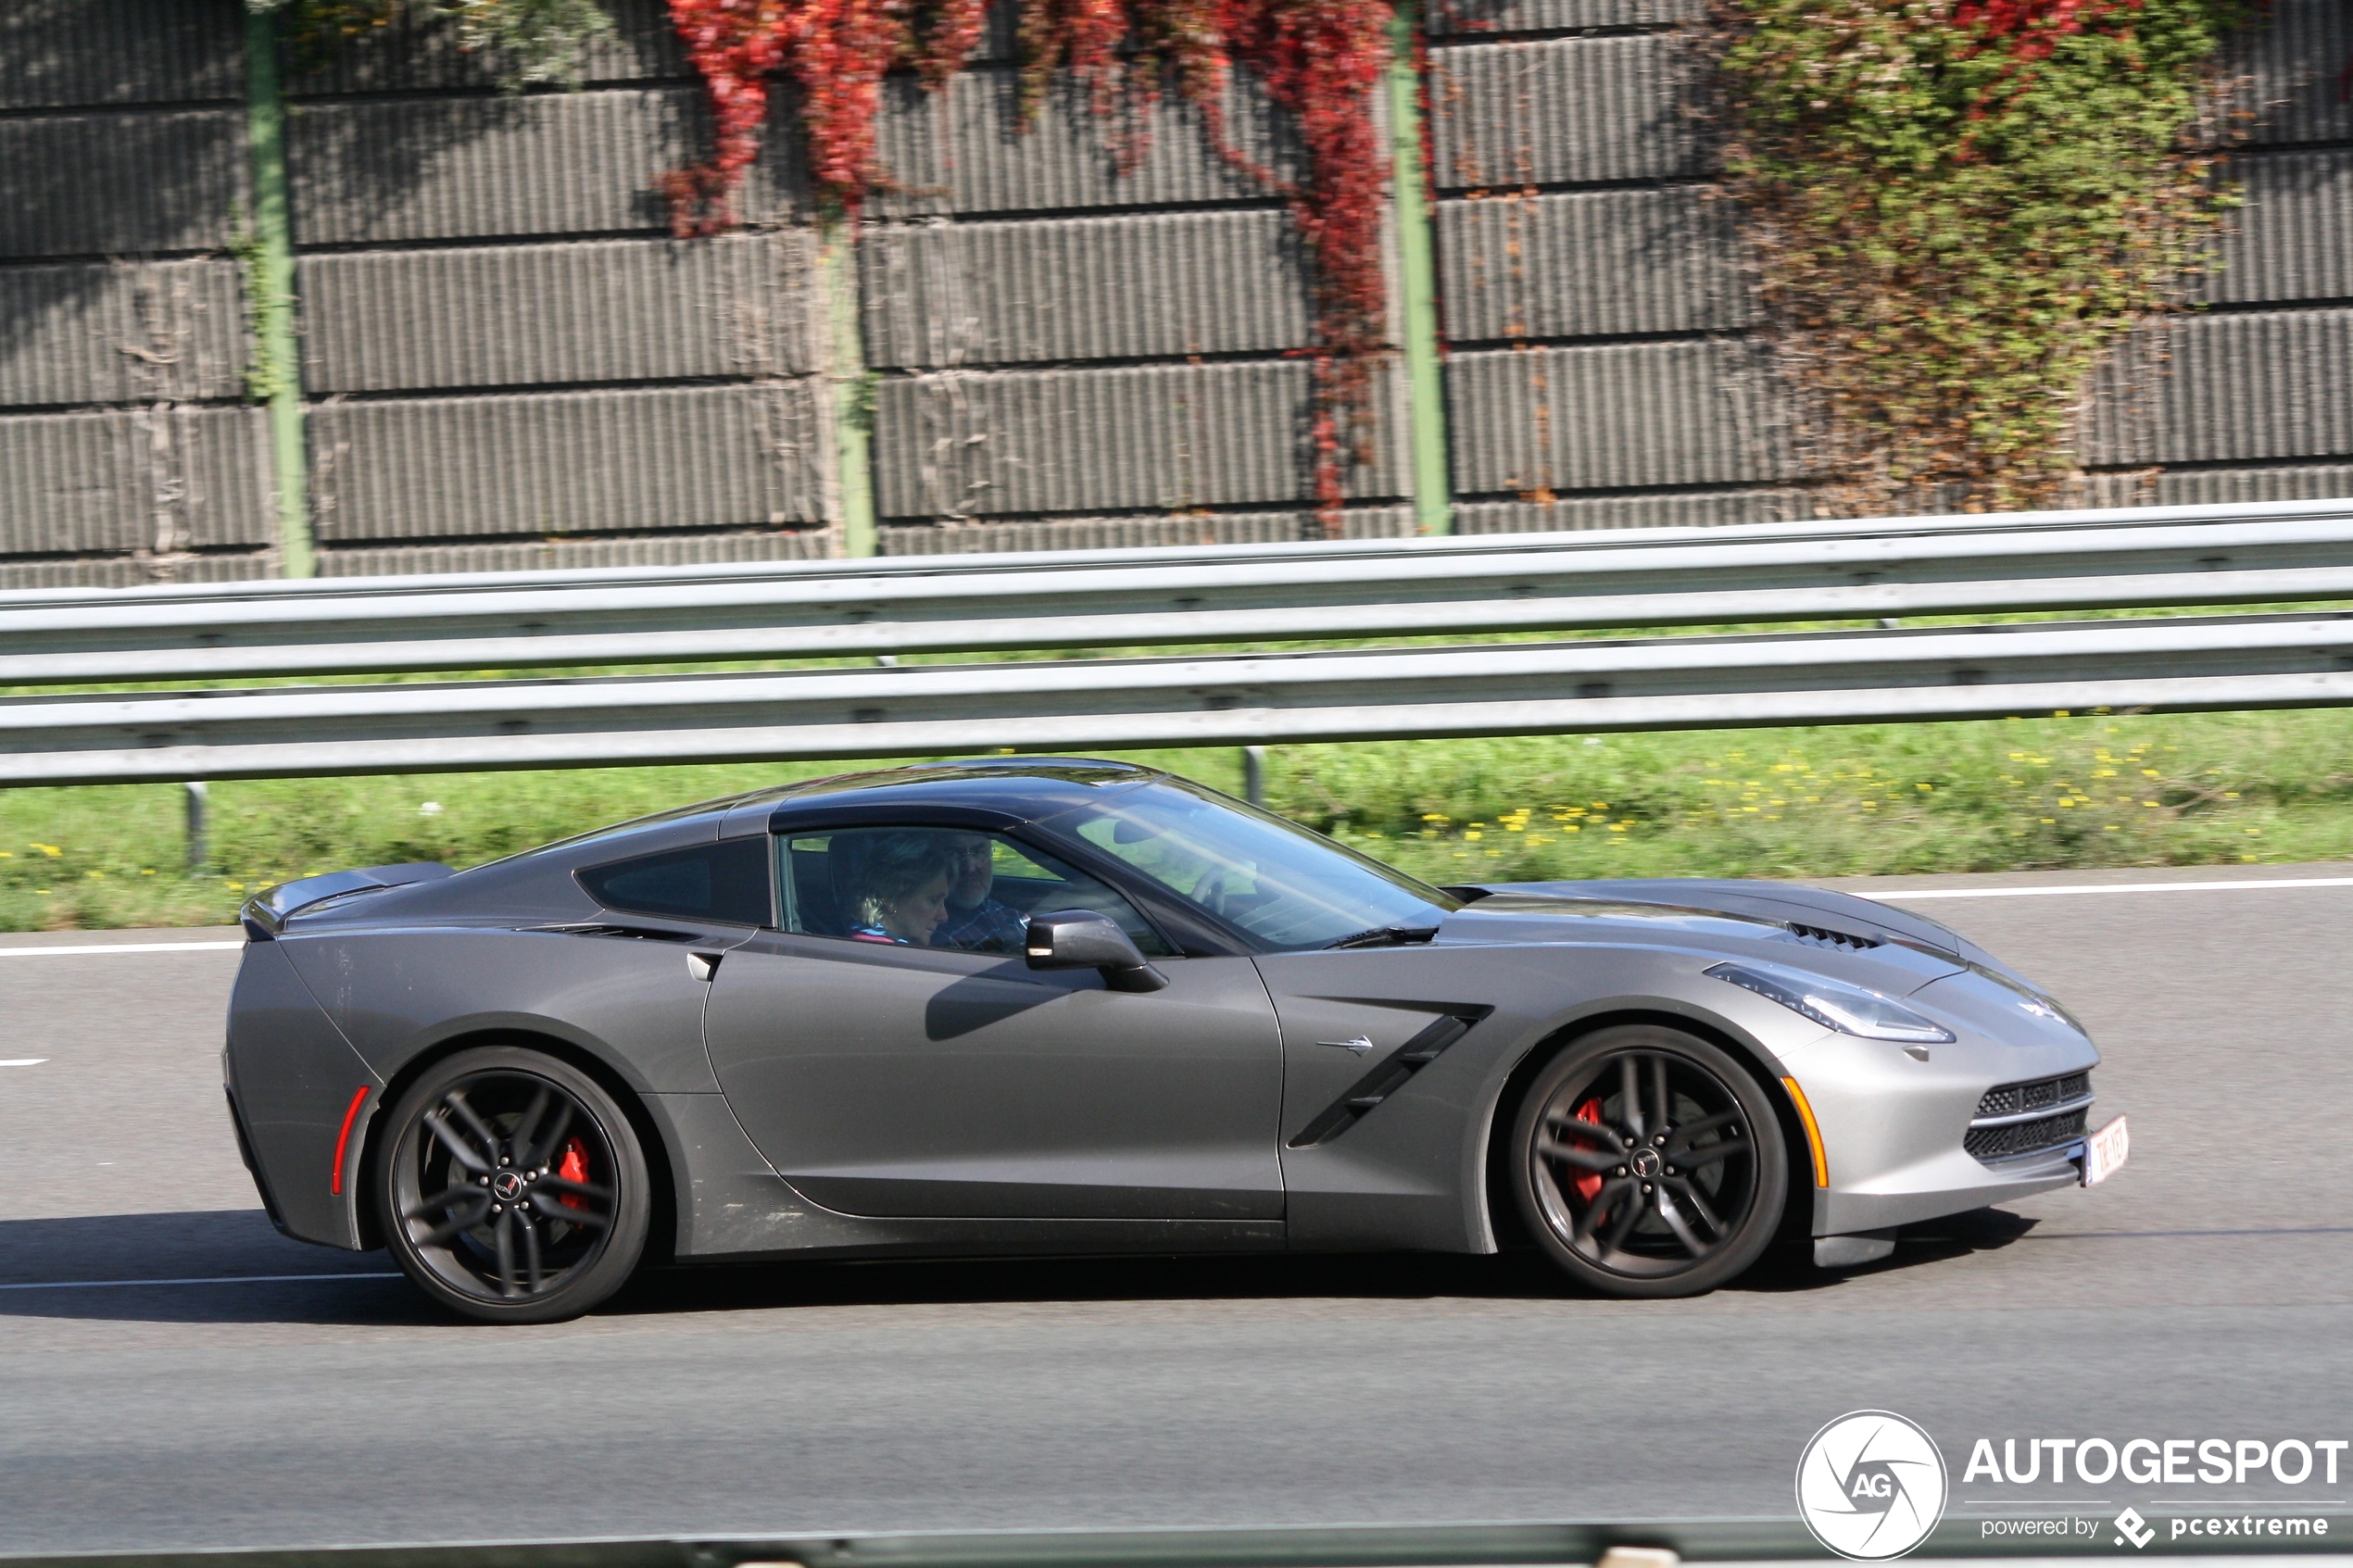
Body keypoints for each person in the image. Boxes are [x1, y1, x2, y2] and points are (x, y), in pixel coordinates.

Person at [839, 831, 953, 946]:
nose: (944, 916)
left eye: (943, 902)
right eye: (933, 900)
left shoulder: (864, 943)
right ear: (889, 898)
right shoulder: (882, 953)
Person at [930, 831, 1030, 953]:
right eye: (954, 853)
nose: (970, 867)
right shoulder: (940, 938)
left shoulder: (1008, 914)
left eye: (978, 852)